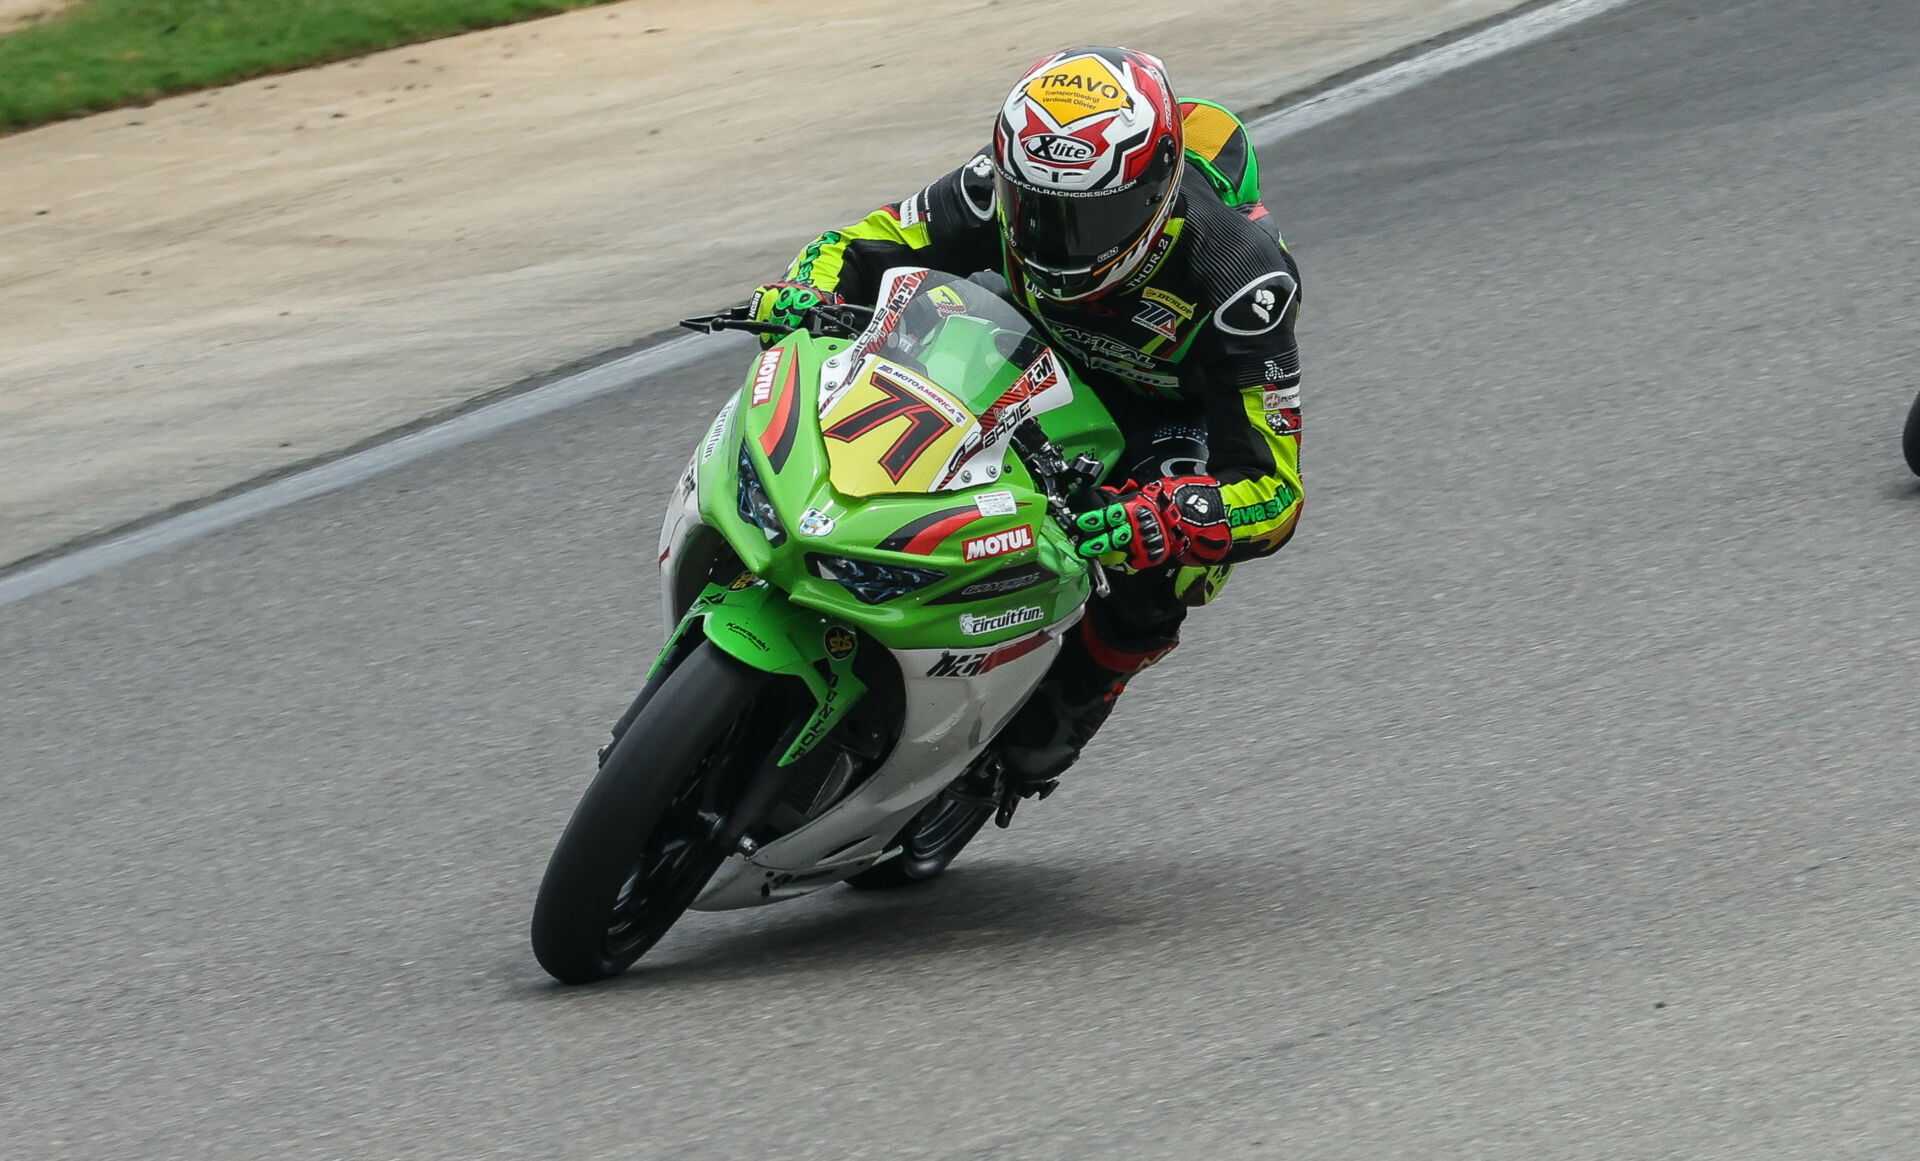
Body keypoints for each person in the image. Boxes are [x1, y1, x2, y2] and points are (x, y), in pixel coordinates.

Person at [749, 46, 1305, 795]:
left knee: (1171, 567)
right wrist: (802, 293)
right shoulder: (1000, 185)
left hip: (1164, 412)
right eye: (1033, 205)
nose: (1047, 234)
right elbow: (858, 245)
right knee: (873, 375)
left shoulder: (1243, 279)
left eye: (1087, 217)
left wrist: (1168, 518)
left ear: (1154, 198)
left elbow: (1273, 489)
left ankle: (1075, 698)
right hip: (1020, 337)